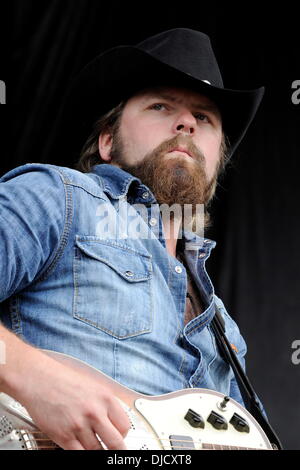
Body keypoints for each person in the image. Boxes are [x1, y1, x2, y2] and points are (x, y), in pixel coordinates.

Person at [0, 28, 265, 450]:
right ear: (108, 141)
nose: (186, 123)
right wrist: (30, 374)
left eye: (205, 118)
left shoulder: (225, 330)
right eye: (161, 106)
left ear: (217, 161)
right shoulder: (59, 198)